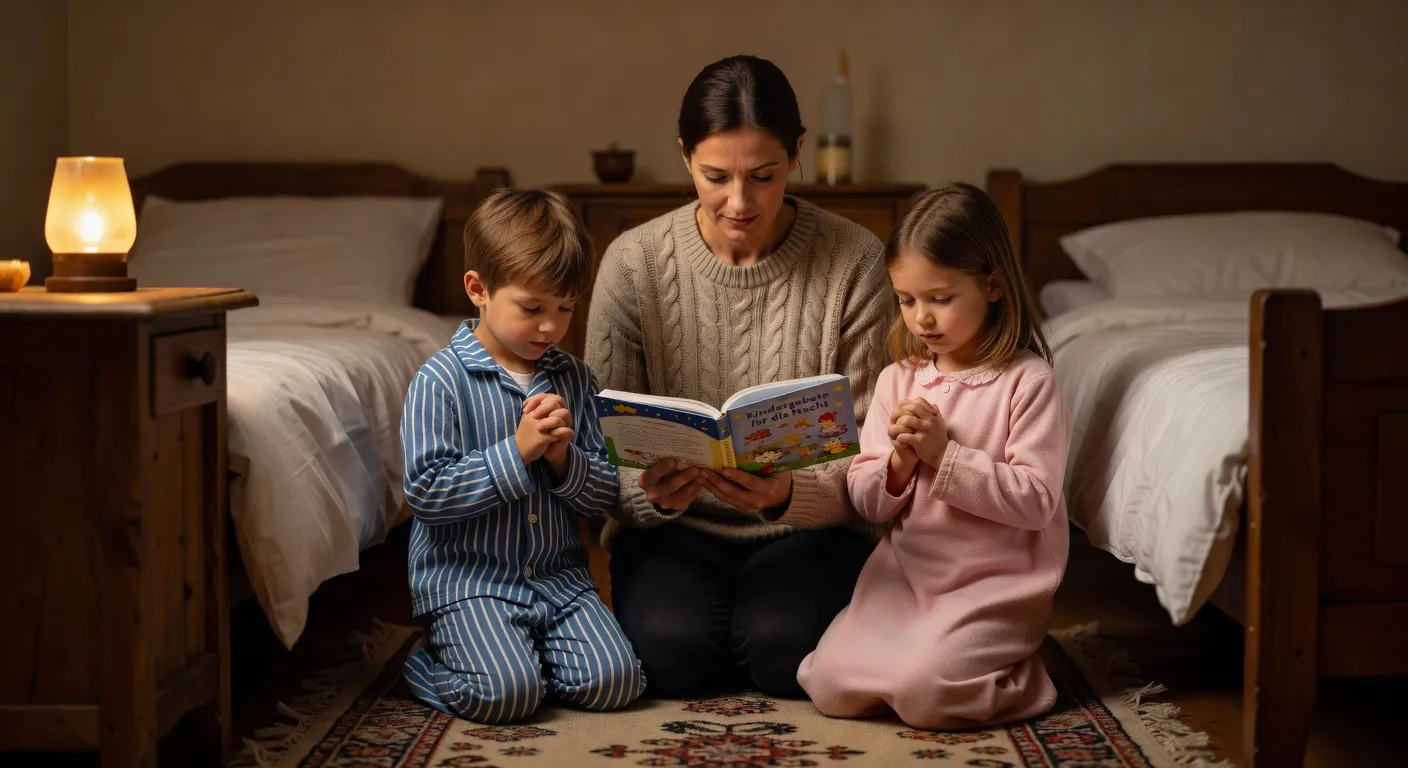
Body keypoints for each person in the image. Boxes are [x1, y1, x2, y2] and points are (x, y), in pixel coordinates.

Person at [583, 54, 893, 697]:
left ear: (798, 154)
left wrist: (789, 494)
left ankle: (757, 632)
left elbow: (872, 444)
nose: (739, 201)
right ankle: (722, 631)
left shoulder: (854, 259)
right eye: (714, 176)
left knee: (783, 654)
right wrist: (650, 493)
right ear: (684, 156)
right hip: (672, 532)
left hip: (811, 532)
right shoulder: (633, 263)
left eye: (763, 175)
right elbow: (598, 449)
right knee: (669, 657)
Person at [797, 182, 1072, 729]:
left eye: (940, 299)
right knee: (825, 684)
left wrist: (945, 457)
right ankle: (930, 657)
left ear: (993, 284)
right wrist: (898, 464)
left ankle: (1025, 672)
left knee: (926, 695)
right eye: (906, 300)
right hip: (907, 578)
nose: (921, 318)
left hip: (993, 586)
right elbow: (869, 502)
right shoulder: (898, 380)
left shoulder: (1028, 382)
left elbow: (1037, 502)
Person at [400, 188, 644, 724]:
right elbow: (427, 494)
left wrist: (562, 460)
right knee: (506, 696)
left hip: (560, 581)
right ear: (477, 290)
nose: (550, 327)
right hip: (471, 584)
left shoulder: (576, 379)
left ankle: (522, 660)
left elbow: (604, 492)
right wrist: (517, 451)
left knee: (615, 683)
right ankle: (428, 662)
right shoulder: (439, 380)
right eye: (532, 308)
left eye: (565, 309)